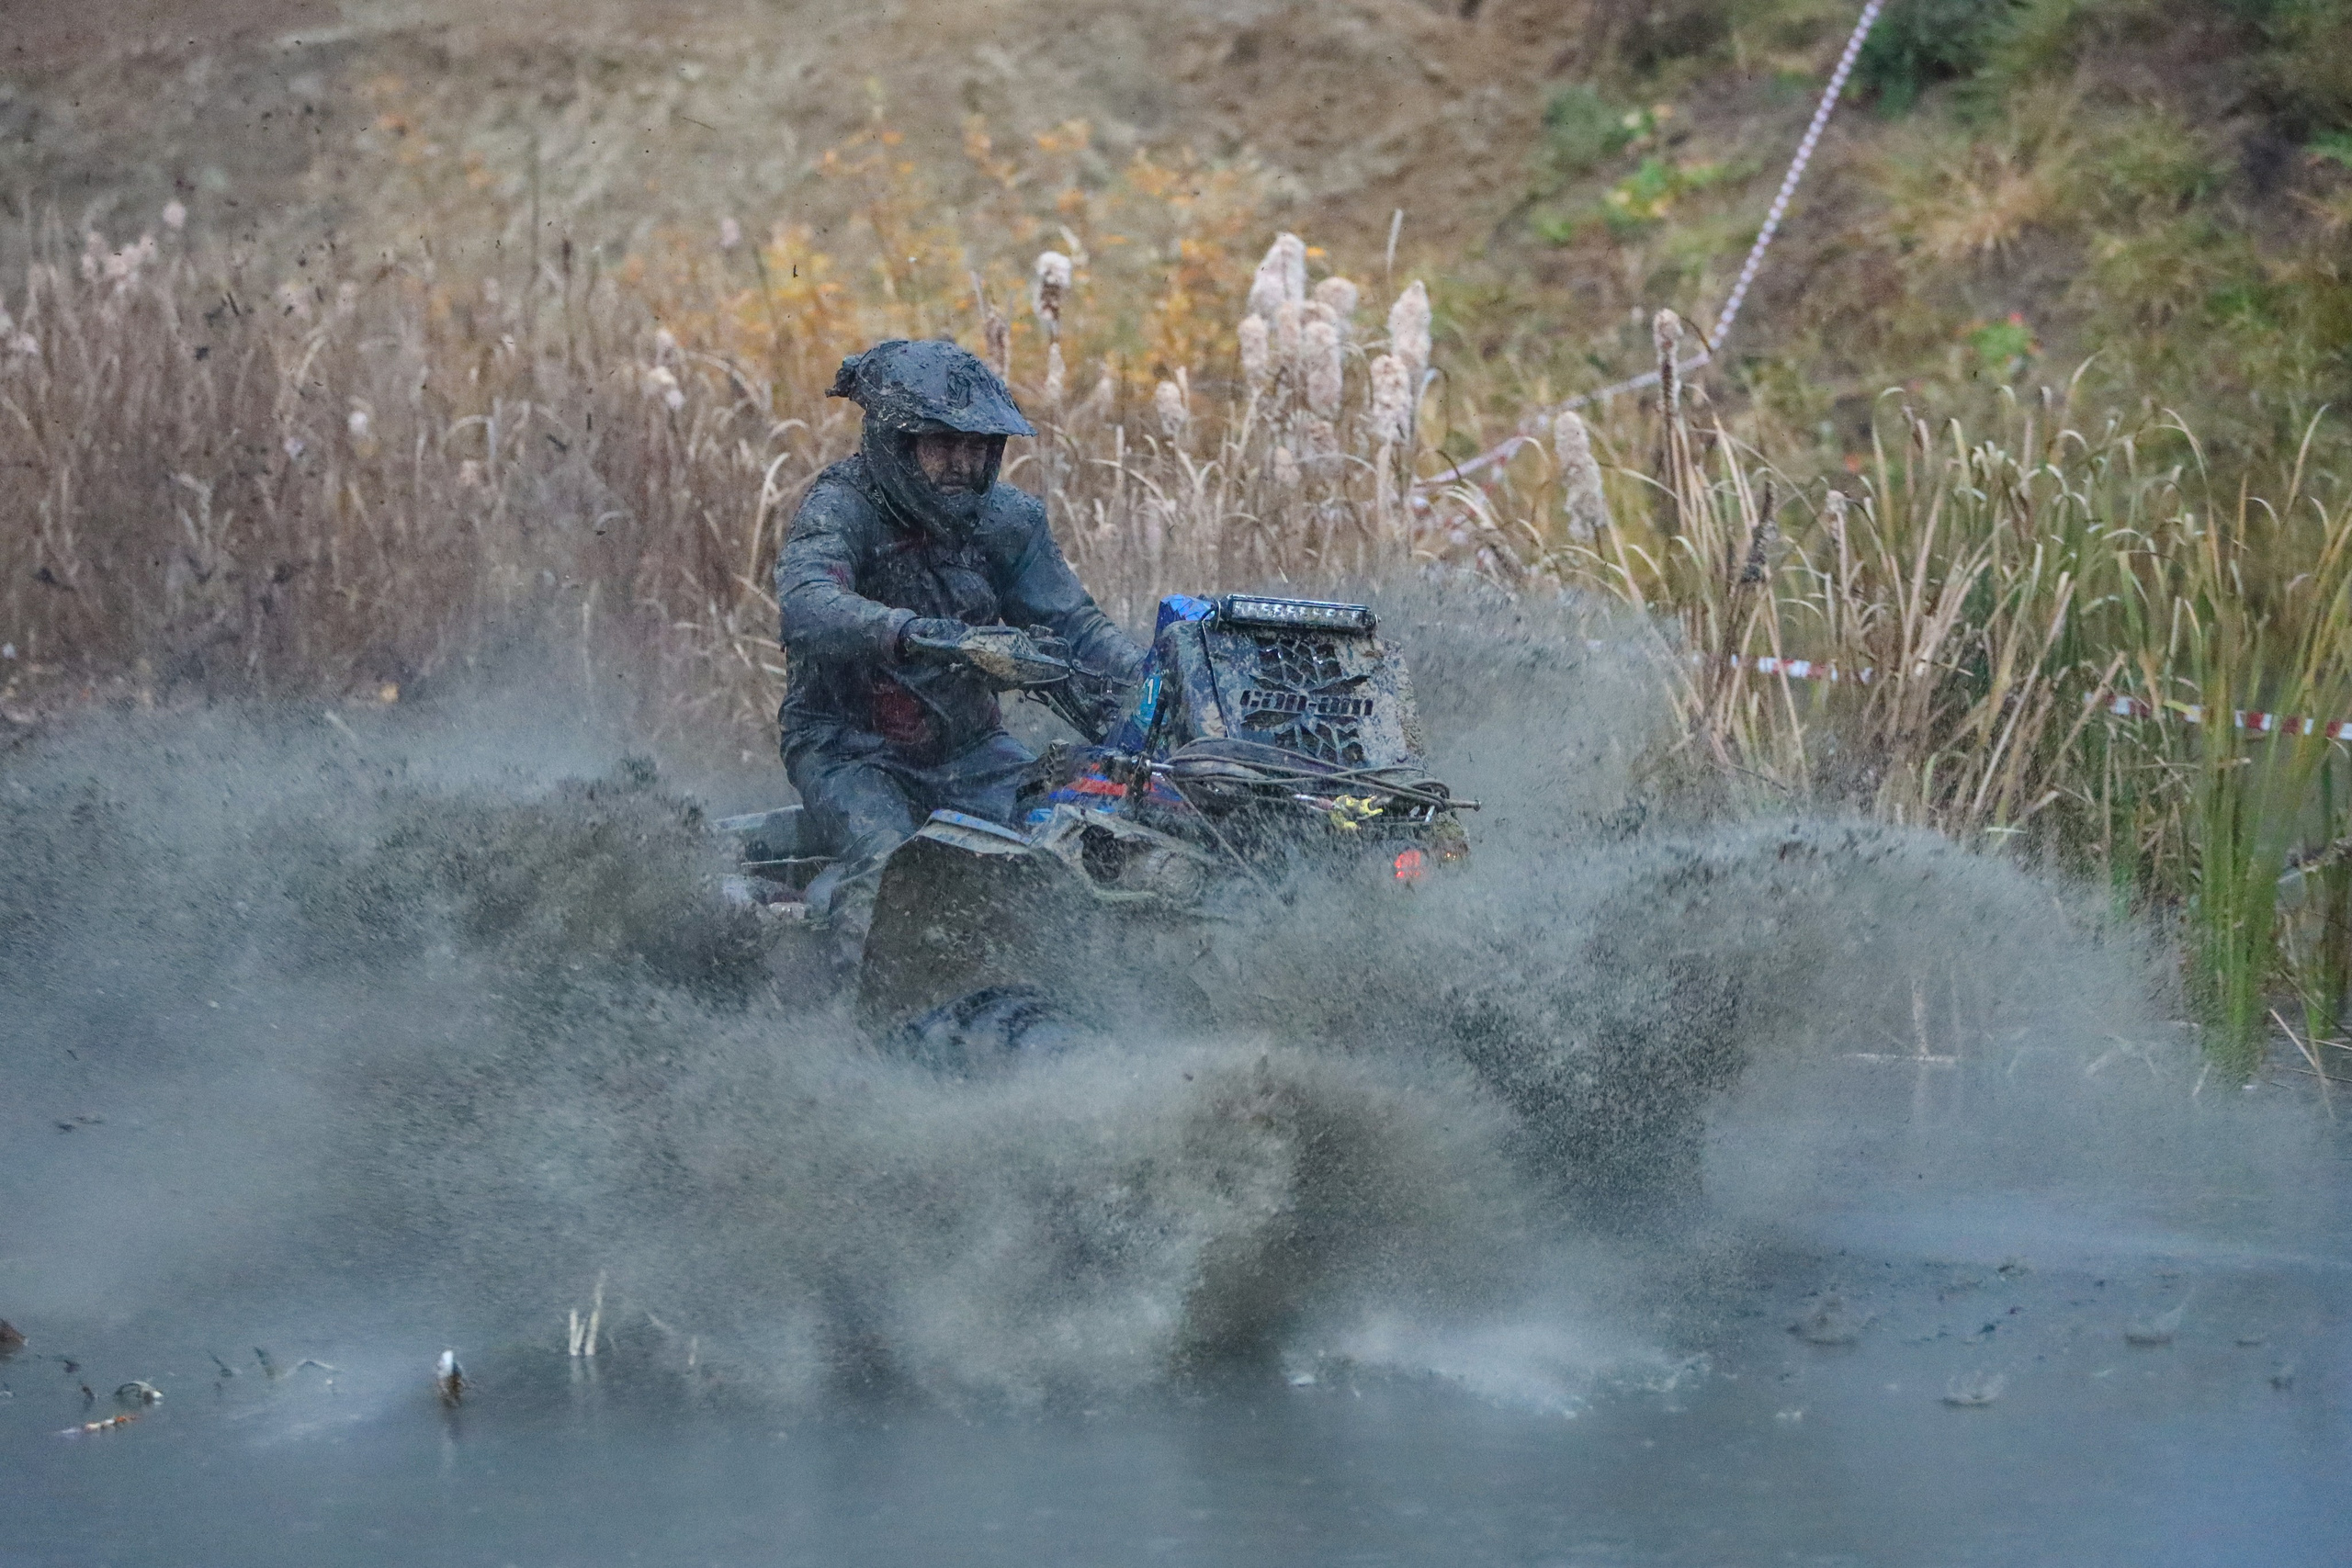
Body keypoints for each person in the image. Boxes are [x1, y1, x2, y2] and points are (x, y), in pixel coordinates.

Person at [774, 338, 1145, 935]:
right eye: (943, 443)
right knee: (890, 870)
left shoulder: (1008, 522)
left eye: (976, 446)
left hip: (973, 752)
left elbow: (1076, 629)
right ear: (899, 442)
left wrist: (1161, 692)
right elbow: (806, 605)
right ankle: (844, 1019)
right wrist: (932, 638)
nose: (961, 464)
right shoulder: (841, 508)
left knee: (1076, 834)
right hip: (849, 752)